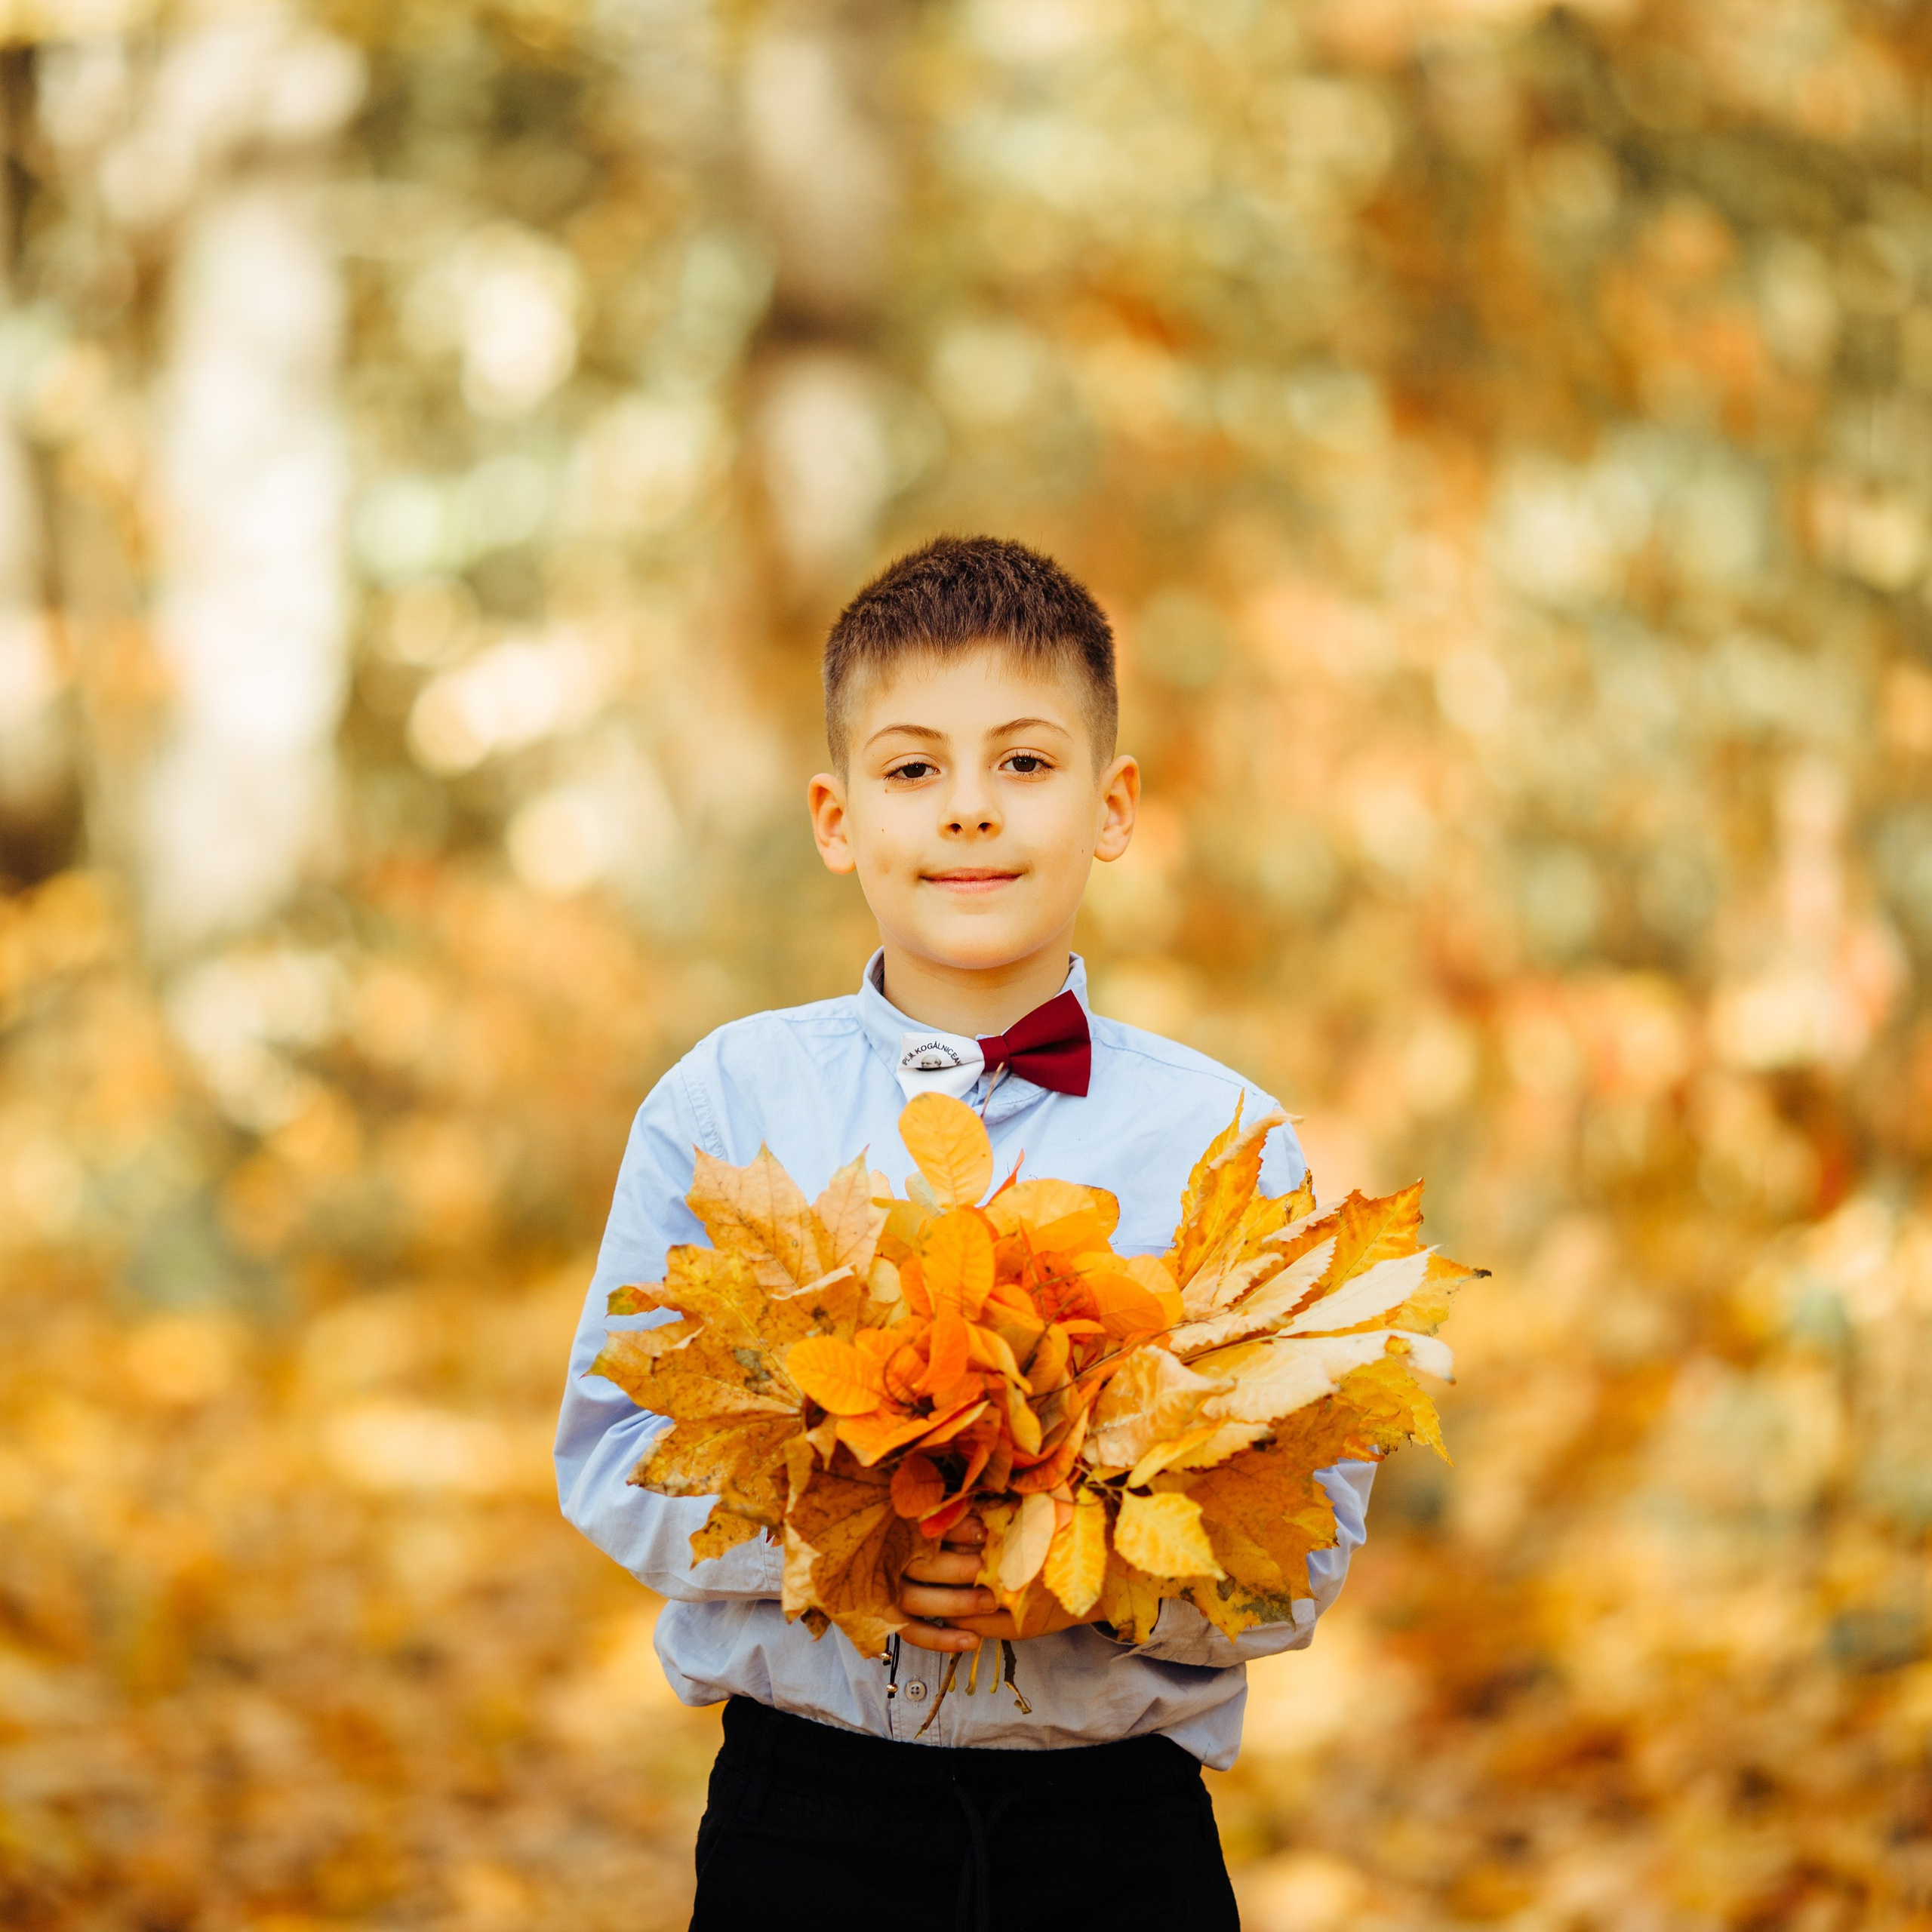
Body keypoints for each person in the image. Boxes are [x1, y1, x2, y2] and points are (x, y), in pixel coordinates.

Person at [554, 534, 1374, 1932]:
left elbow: (1305, 1533)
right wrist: (842, 1542)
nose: (971, 813)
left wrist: (1090, 1580)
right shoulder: (725, 1104)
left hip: (1118, 1837)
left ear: (1112, 807)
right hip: (806, 1825)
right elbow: (615, 1450)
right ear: (836, 816)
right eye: (915, 767)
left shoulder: (1222, 1138)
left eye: (1027, 764)